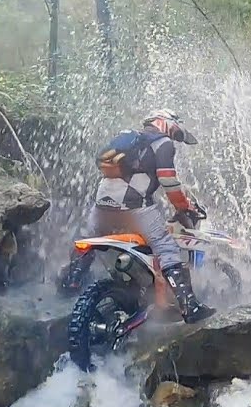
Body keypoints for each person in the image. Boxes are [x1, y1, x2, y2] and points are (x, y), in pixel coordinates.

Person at [59, 109, 216, 324]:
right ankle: (190, 307)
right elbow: (169, 182)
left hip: (101, 207)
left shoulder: (126, 138)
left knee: (88, 239)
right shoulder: (163, 143)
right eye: (176, 132)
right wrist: (184, 205)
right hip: (133, 209)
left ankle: (70, 282)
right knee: (166, 247)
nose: (175, 138)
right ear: (166, 123)